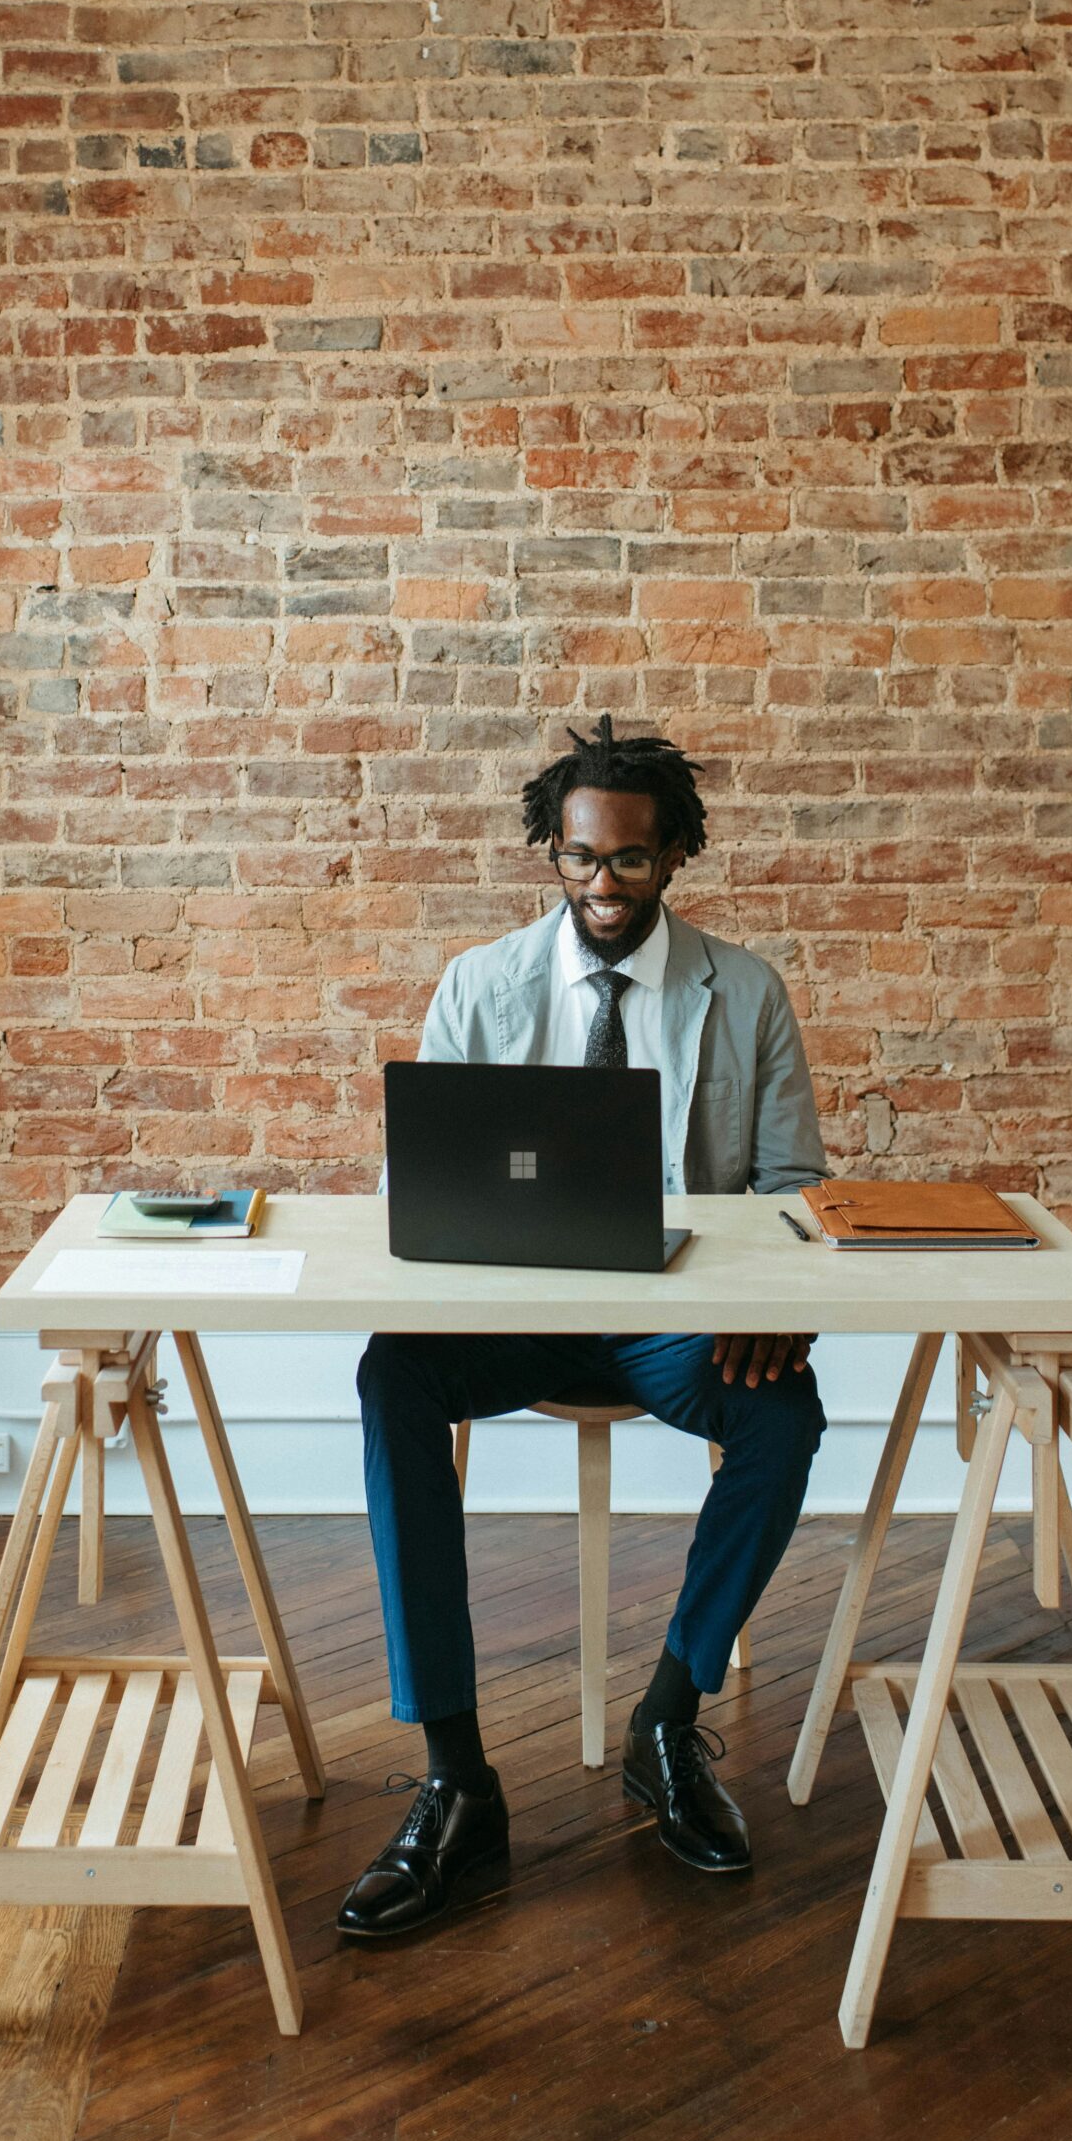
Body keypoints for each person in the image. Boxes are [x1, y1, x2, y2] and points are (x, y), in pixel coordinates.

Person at [338, 717, 828, 1940]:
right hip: (515, 1319)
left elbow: (789, 1191)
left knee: (784, 1415)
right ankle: (456, 1775)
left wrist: (772, 1311)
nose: (602, 887)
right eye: (579, 860)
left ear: (676, 856)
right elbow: (427, 1183)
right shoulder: (479, 982)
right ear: (549, 851)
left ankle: (666, 1722)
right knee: (391, 1377)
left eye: (630, 862)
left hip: (670, 1330)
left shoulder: (746, 992)